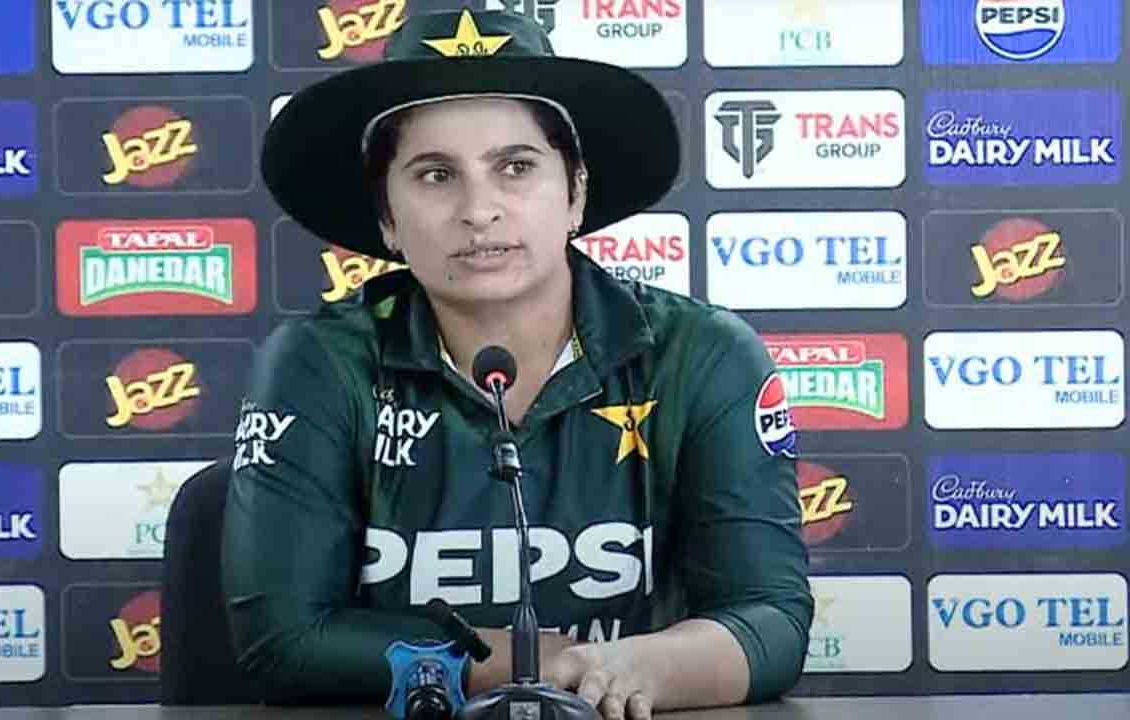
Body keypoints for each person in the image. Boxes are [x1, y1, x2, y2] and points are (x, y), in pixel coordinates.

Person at [223, 8, 811, 719]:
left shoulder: (702, 354)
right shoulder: (319, 363)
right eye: (436, 174)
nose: (480, 210)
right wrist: (536, 667)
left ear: (576, 192)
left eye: (516, 167)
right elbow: (283, 645)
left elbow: (771, 620)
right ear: (387, 220)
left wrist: (628, 670)